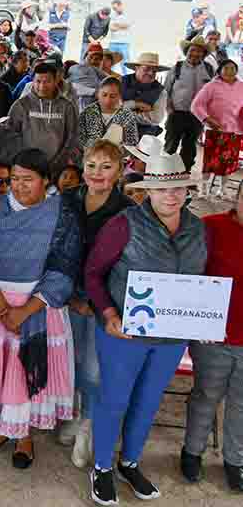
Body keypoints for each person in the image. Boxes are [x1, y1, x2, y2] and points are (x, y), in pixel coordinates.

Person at [85, 152, 205, 505]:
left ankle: (130, 462)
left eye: (179, 188)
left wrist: (205, 317)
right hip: (125, 334)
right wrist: (108, 313)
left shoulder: (198, 229)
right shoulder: (124, 225)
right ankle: (103, 467)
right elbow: (92, 274)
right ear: (147, 191)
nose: (172, 196)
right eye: (162, 189)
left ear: (187, 190)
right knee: (114, 399)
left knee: (148, 400)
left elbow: (203, 281)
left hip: (171, 337)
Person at [0, 147, 80, 469]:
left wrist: (25, 311)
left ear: (46, 181)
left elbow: (64, 265)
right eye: (14, 179)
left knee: (28, 369)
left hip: (41, 305)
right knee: (3, 370)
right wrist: (3, 308)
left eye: (28, 179)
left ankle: (23, 435)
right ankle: (2, 429)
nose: (19, 186)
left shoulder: (62, 213)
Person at [59, 139, 134, 470]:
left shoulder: (127, 210)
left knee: (93, 368)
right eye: (91, 165)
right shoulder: (66, 200)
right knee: (71, 360)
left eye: (106, 166)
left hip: (104, 301)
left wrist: (94, 300)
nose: (97, 173)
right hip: (67, 296)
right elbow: (57, 247)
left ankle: (88, 424)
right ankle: (74, 413)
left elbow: (125, 264)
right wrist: (70, 295)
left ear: (119, 171)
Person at [181, 187, 243, 492]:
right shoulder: (212, 227)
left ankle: (235, 460)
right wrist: (197, 322)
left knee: (242, 402)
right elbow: (192, 274)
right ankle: (192, 452)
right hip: (214, 335)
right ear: (237, 197)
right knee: (206, 395)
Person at [1, 61, 80, 175]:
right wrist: (23, 160)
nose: (42, 86)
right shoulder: (21, 105)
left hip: (58, 169)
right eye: (38, 81)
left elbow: (72, 136)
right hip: (27, 167)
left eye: (47, 81)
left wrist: (58, 162)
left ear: (55, 81)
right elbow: (10, 135)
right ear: (32, 81)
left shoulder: (66, 106)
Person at [191, 58, 243, 199]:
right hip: (215, 130)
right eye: (226, 68)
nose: (229, 71)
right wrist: (207, 119)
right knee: (209, 163)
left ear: (236, 71)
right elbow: (196, 105)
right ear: (219, 70)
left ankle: (223, 190)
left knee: (228, 164)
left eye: (232, 68)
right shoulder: (211, 86)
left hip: (235, 131)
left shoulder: (241, 86)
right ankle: (203, 190)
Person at [163, 36, 215, 172]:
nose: (195, 54)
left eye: (199, 51)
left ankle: (184, 174)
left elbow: (213, 93)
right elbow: (166, 91)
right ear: (187, 51)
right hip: (177, 113)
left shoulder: (209, 69)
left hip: (197, 115)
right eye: (192, 50)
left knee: (190, 147)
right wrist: (169, 110)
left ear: (203, 54)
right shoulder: (177, 67)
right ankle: (165, 174)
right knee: (170, 145)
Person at [78, 77, 139, 150]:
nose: (107, 100)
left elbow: (132, 144)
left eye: (112, 96)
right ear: (97, 94)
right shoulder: (87, 113)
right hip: (90, 158)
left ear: (119, 96)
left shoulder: (127, 115)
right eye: (104, 95)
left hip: (116, 158)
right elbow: (79, 140)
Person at [121, 52, 168, 138]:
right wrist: (135, 104)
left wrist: (124, 111)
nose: (150, 73)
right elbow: (109, 106)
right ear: (136, 68)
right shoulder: (120, 82)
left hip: (144, 137)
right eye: (146, 69)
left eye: (154, 71)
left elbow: (156, 118)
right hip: (116, 131)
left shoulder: (161, 92)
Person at [68, 43, 107, 111]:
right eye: (91, 57)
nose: (93, 61)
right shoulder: (76, 68)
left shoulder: (100, 73)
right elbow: (71, 86)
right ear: (85, 56)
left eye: (97, 59)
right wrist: (94, 92)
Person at [108, 0, 132, 74]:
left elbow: (127, 25)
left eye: (115, 8)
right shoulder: (112, 15)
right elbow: (111, 28)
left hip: (124, 43)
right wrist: (121, 26)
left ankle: (126, 81)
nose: (114, 10)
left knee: (125, 64)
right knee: (110, 64)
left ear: (120, 5)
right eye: (113, 9)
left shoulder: (128, 14)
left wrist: (117, 25)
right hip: (113, 43)